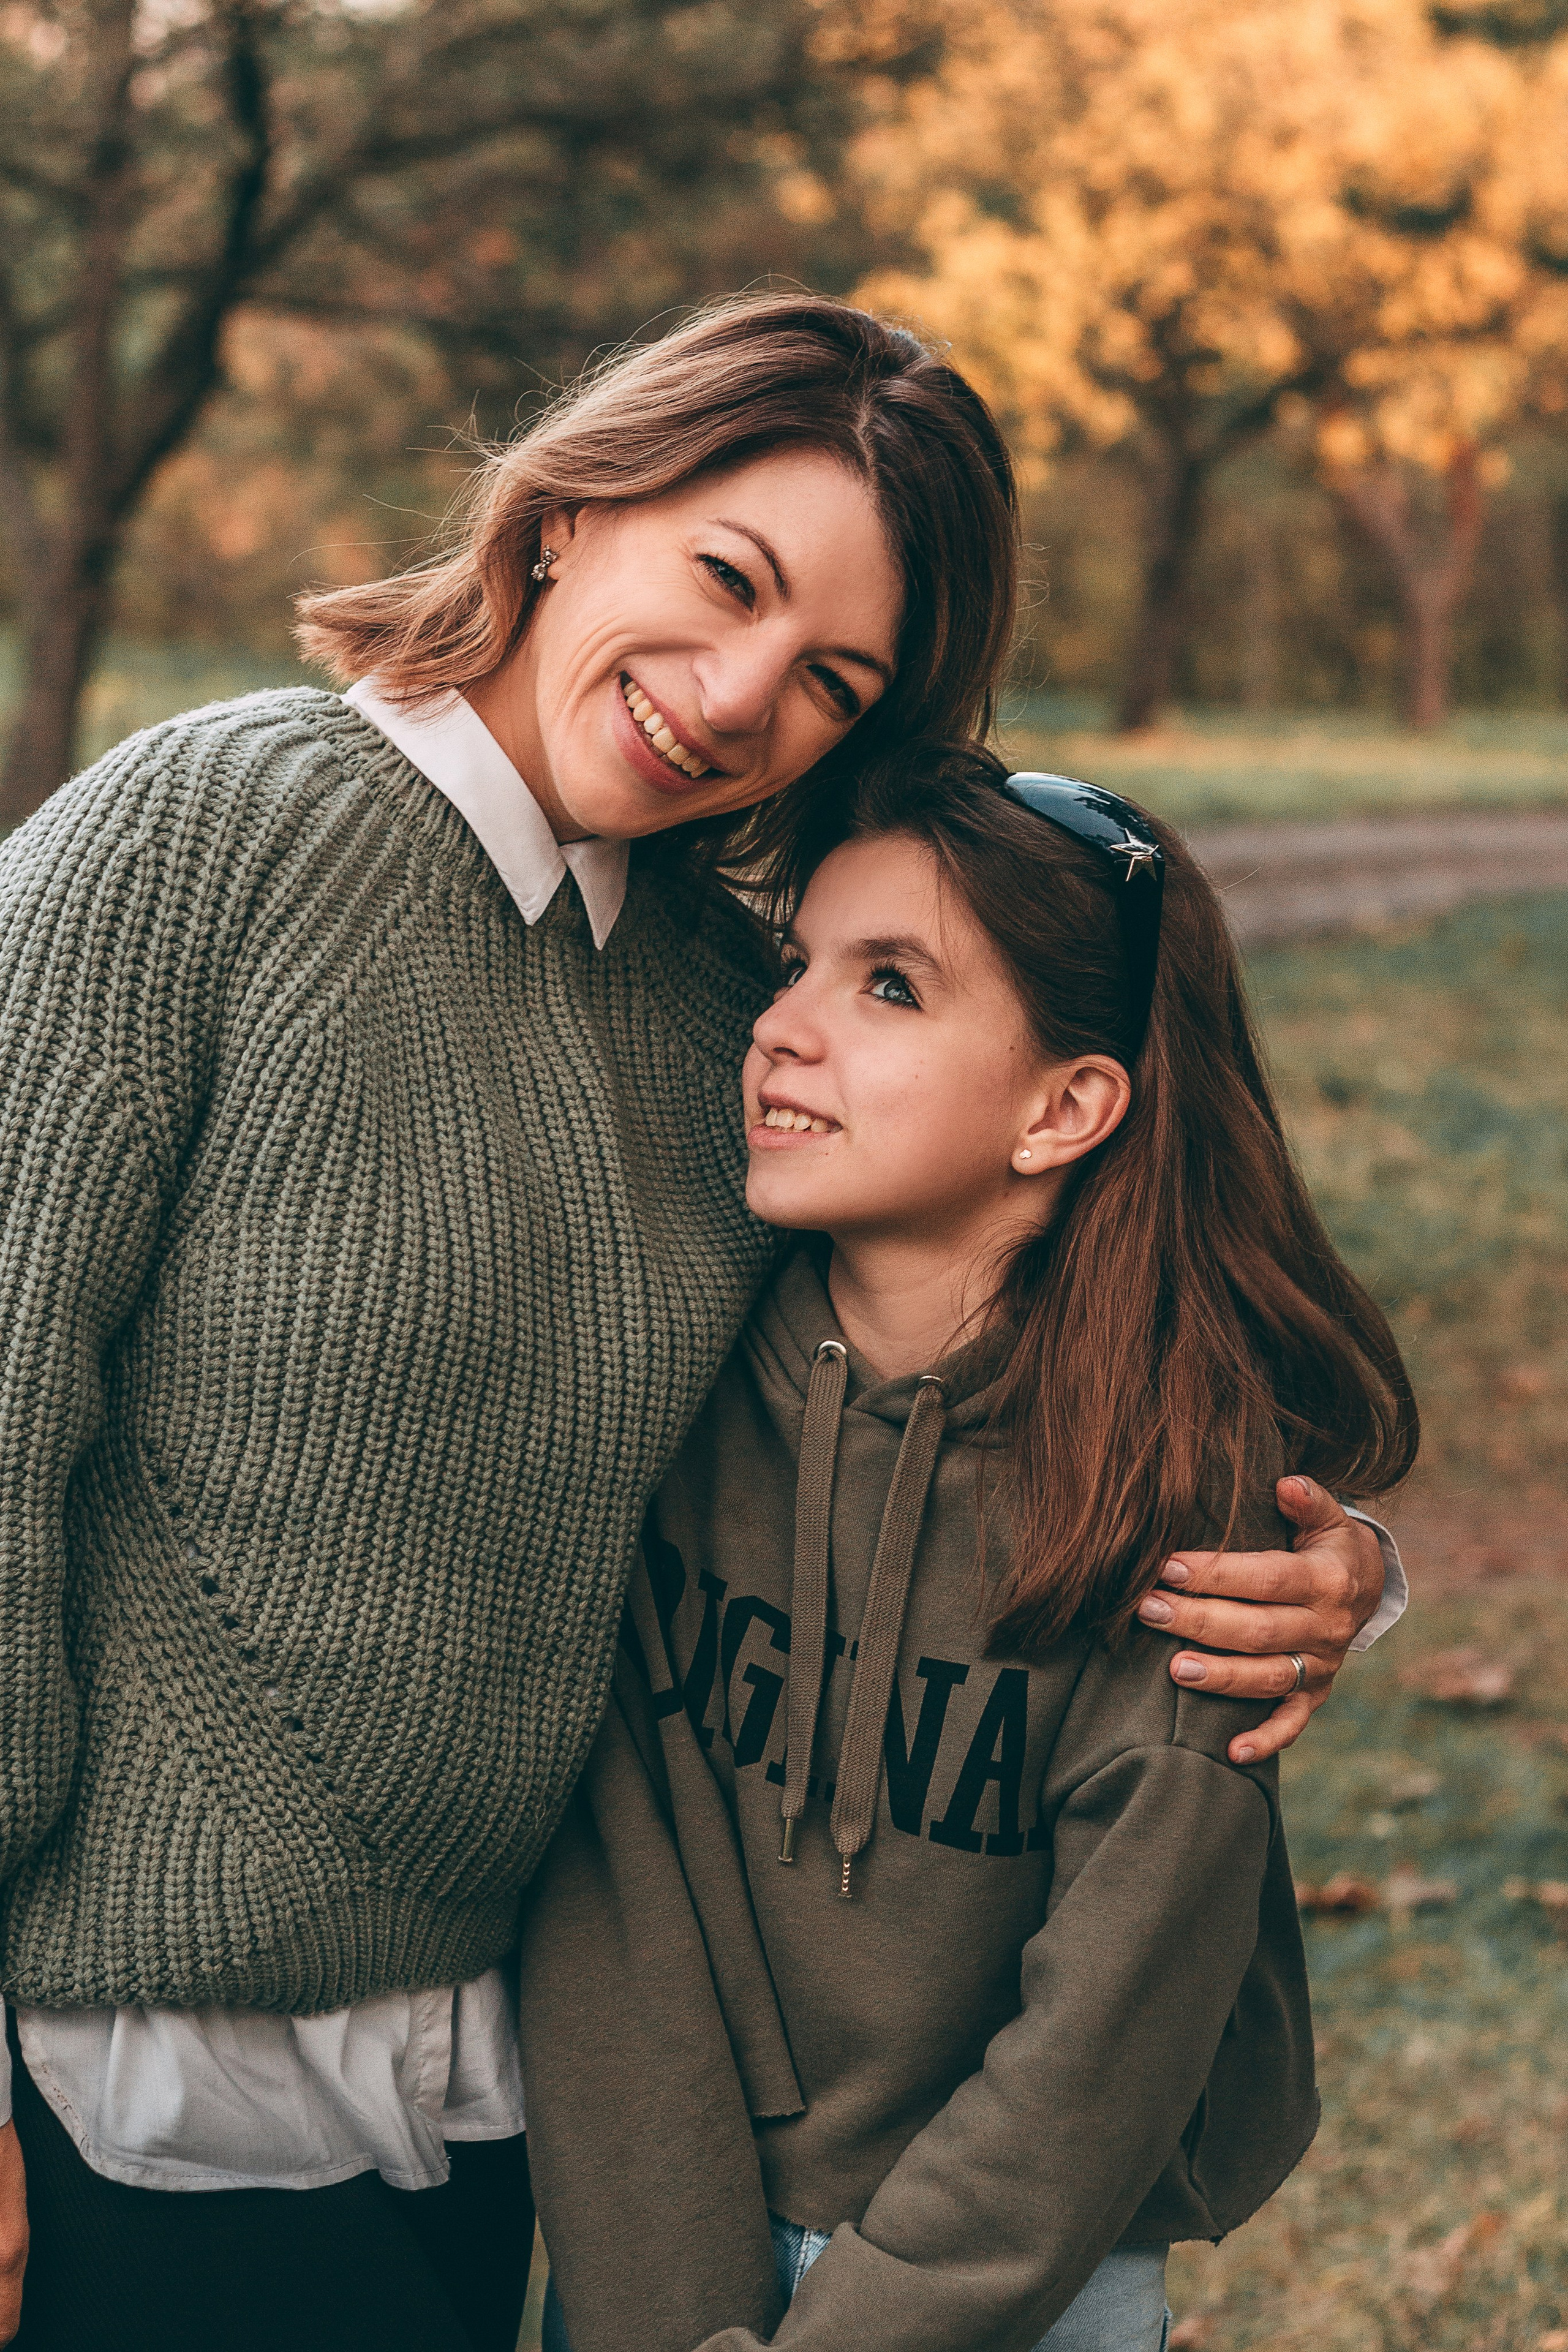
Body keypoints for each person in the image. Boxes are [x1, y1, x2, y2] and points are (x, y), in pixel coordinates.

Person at [0, 296, 1396, 2352]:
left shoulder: (728, 1008)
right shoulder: (198, 836)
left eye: (833, 680)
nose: (740, 697)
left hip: (512, 2092)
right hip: (131, 2072)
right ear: (575, 505)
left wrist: (1323, 1566)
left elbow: (965, 1364)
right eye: (729, 578)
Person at [518, 743, 1419, 2352]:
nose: (784, 1025)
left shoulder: (1174, 1499)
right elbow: (617, 1906)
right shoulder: (678, 1392)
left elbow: (1103, 2047)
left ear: (1063, 1109)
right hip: (674, 2249)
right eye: (797, 966)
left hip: (1036, 2284)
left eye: (890, 987)